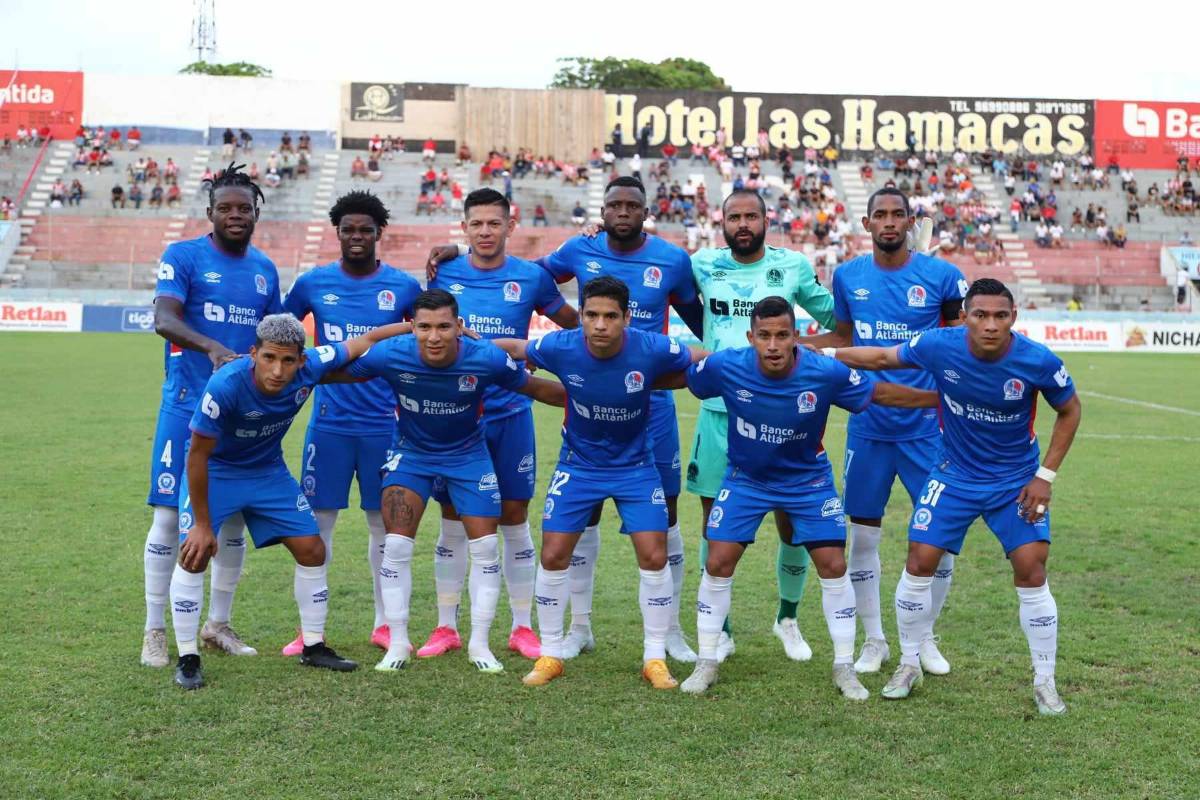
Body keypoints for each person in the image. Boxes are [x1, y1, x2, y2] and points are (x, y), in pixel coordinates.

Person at [828, 278, 1081, 714]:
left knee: (1031, 568)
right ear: (964, 317)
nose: (990, 325)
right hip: (954, 475)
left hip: (1015, 480)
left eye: (1000, 316)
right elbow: (883, 356)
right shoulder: (939, 345)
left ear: (1013, 317)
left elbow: (1070, 409)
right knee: (919, 560)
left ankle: (1045, 681)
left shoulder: (1037, 360)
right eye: (980, 315)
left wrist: (1045, 476)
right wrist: (827, 353)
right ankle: (908, 663)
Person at [673, 296, 937, 698]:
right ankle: (707, 662)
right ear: (751, 337)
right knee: (718, 559)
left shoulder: (824, 371)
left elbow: (878, 393)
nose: (774, 345)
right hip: (746, 479)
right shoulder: (727, 365)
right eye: (765, 336)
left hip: (808, 482)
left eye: (783, 335)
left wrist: (941, 401)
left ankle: (844, 666)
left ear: (797, 336)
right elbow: (684, 377)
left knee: (833, 563)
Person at [170, 314, 409, 688]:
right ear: (254, 353)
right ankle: (187, 657)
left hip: (267, 472)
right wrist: (201, 525)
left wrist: (420, 325)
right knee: (194, 553)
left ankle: (313, 646)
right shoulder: (225, 385)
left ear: (302, 359)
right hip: (217, 471)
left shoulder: (312, 365)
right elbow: (197, 455)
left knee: (312, 549)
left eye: (287, 360)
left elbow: (368, 338)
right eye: (269, 358)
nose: (278, 370)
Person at [491, 276, 704, 689]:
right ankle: (551, 653)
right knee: (553, 553)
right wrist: (469, 347)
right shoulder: (560, 346)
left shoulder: (653, 346)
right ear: (582, 318)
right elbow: (516, 348)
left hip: (636, 467)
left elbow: (698, 360)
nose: (600, 324)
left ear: (627, 317)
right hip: (579, 465)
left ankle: (654, 657)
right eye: (591, 315)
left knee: (654, 554)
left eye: (610, 316)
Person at [343, 290, 567, 673]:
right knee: (395, 544)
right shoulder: (391, 354)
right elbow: (332, 369)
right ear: (412, 327)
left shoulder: (485, 358)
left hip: (468, 457)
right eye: (425, 327)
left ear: (459, 327)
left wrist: (591, 395)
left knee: (484, 549)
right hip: (411, 455)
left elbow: (536, 388)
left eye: (444, 326)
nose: (434, 336)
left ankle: (479, 644)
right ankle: (397, 642)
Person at [800, 187, 966, 675]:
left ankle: (925, 636)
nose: (889, 222)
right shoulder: (848, 275)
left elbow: (958, 346)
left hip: (928, 430)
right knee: (863, 538)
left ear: (911, 221)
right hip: (868, 426)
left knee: (941, 537)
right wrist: (801, 345)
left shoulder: (942, 277)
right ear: (867, 223)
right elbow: (846, 340)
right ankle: (874, 641)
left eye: (898, 214)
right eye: (880, 215)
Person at [419, 189, 579, 662]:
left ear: (510, 227)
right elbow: (421, 328)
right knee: (451, 520)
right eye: (477, 224)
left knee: (513, 518)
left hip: (511, 415)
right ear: (463, 228)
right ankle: (446, 626)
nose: (486, 231)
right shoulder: (442, 273)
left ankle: (522, 627)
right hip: (454, 417)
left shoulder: (531, 277)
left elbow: (573, 328)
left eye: (495, 223)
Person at [140, 164, 282, 671]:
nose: (235, 215)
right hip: (185, 405)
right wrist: (214, 349)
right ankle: (155, 630)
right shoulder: (183, 256)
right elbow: (164, 319)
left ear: (256, 212)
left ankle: (217, 623)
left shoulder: (266, 269)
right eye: (226, 207)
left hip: (240, 415)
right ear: (211, 213)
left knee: (236, 518)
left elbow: (274, 341)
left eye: (244, 207)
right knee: (165, 519)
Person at [687, 189, 837, 664]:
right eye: (735, 217)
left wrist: (806, 350)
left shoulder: (791, 266)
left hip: (785, 415)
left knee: (793, 524)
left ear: (767, 220)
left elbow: (839, 319)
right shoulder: (700, 264)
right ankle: (723, 630)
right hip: (718, 414)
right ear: (722, 222)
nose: (744, 224)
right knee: (716, 528)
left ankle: (787, 617)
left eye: (752, 215)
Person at [280, 191, 422, 655]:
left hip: (385, 425)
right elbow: (279, 333)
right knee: (316, 527)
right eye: (348, 229)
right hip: (329, 425)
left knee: (384, 526)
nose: (357, 236)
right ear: (337, 233)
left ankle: (384, 623)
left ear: (379, 233)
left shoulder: (402, 287)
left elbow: (426, 330)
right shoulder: (311, 284)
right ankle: (310, 629)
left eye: (365, 229)